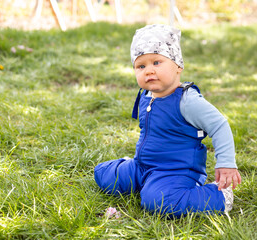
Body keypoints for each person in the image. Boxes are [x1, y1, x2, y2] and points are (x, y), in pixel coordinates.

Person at [94, 24, 241, 217]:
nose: (148, 71)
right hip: (143, 165)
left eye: (156, 62)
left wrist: (226, 163)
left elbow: (219, 125)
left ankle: (219, 196)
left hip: (175, 171)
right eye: (141, 66)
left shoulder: (187, 101)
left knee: (158, 202)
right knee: (102, 174)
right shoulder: (147, 95)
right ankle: (138, 174)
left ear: (178, 66)